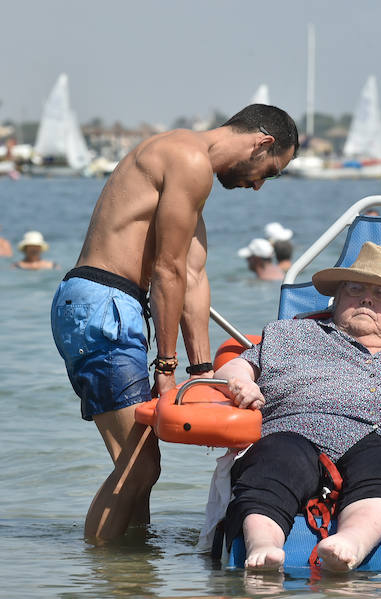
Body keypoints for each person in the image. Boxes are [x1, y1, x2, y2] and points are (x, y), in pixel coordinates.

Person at [50, 104, 299, 542]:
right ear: (262, 143)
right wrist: (167, 369)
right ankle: (99, 575)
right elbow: (167, 271)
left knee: (137, 473)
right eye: (270, 171)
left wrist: (201, 373)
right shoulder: (188, 159)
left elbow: (192, 277)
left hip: (107, 307)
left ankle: (132, 577)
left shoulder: (190, 171)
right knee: (140, 466)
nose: (259, 185)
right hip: (103, 305)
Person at [214, 242, 381, 571]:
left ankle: (352, 542)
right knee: (275, 459)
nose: (367, 298)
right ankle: (263, 547)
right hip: (294, 431)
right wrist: (241, 382)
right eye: (355, 288)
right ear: (336, 298)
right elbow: (233, 368)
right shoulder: (291, 333)